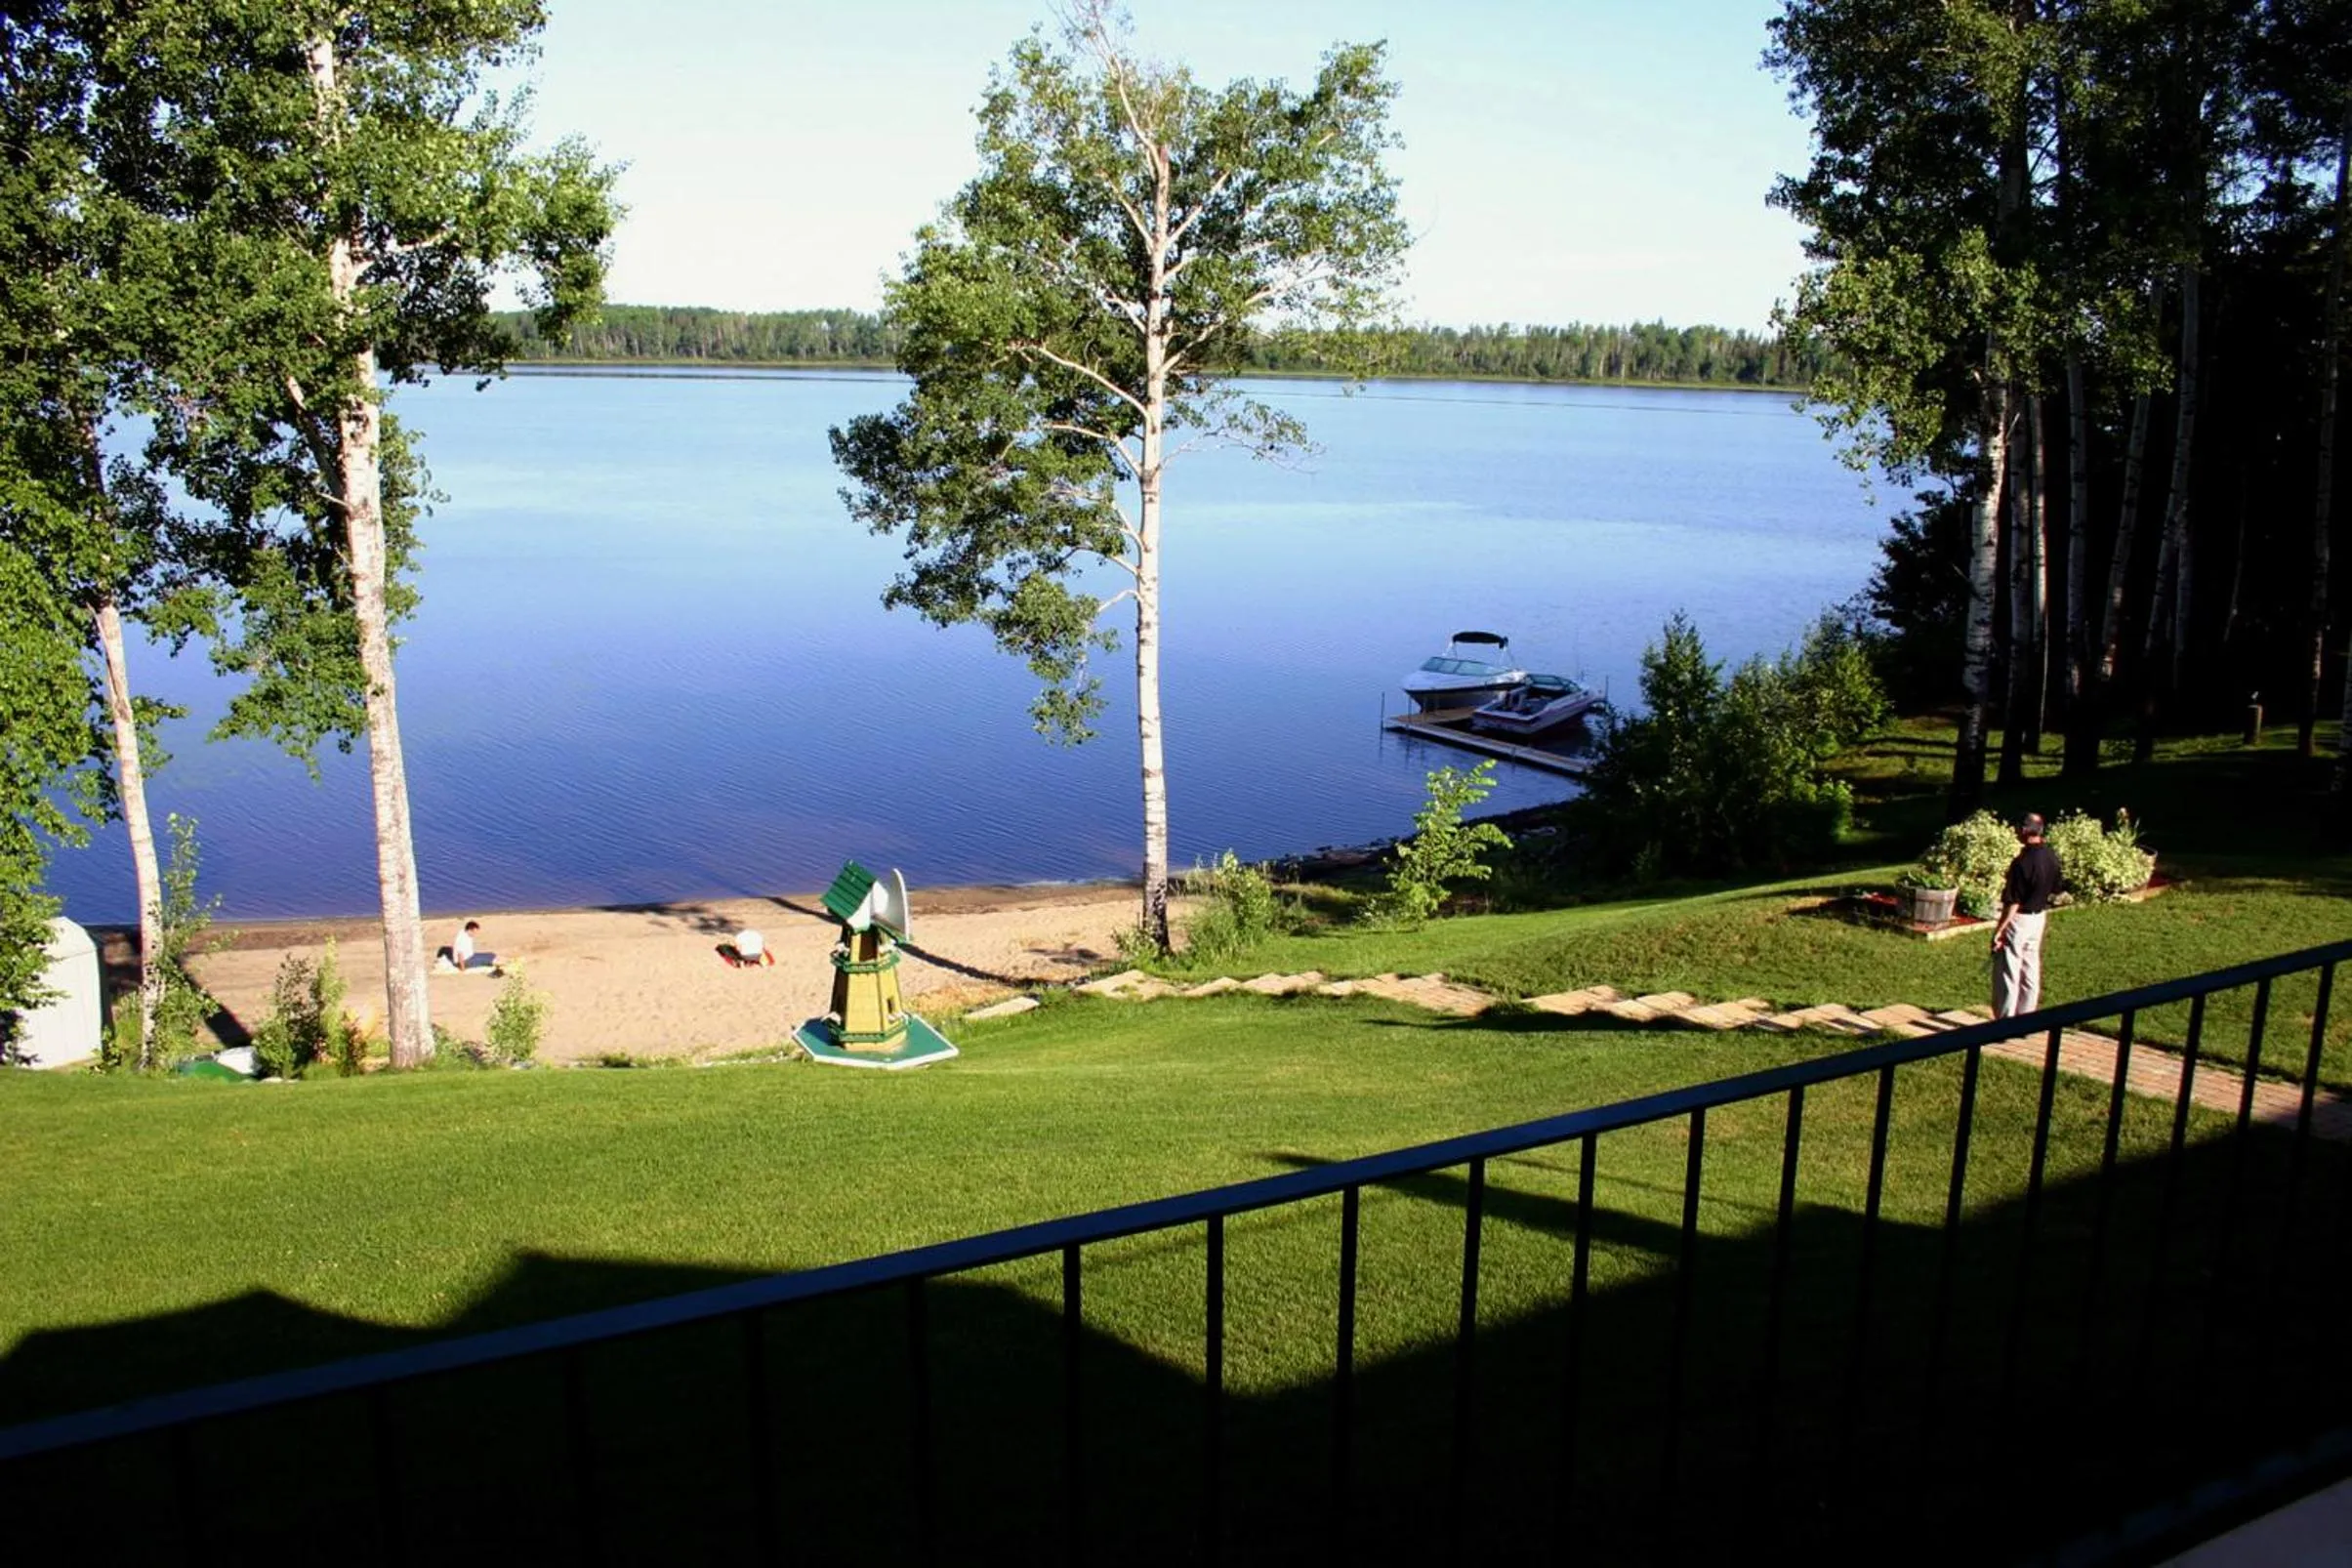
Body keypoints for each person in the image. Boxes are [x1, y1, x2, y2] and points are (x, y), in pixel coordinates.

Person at [1991, 813, 2060, 1017]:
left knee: (2010, 970)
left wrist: (2000, 929)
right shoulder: (2051, 856)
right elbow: (2055, 888)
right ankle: (2027, 1017)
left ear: (2023, 831)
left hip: (2019, 920)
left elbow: (2013, 901)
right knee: (2030, 968)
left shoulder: (2021, 862)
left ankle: (2005, 1022)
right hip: (2039, 917)